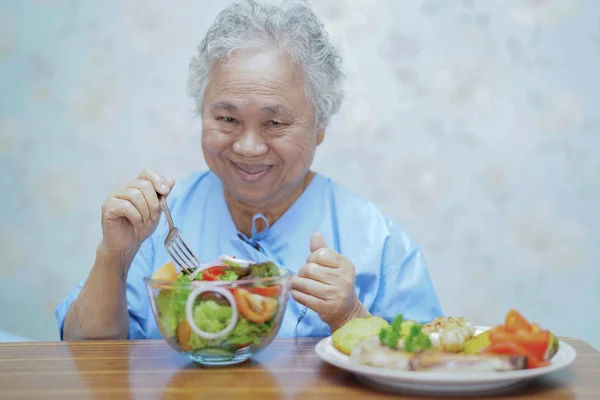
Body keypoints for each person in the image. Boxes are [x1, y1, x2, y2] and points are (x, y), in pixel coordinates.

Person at [56, 0, 443, 341]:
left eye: (275, 123)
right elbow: (85, 350)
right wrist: (114, 255)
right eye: (227, 118)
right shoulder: (158, 222)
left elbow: (426, 363)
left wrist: (350, 315)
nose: (248, 147)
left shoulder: (378, 241)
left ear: (319, 125)